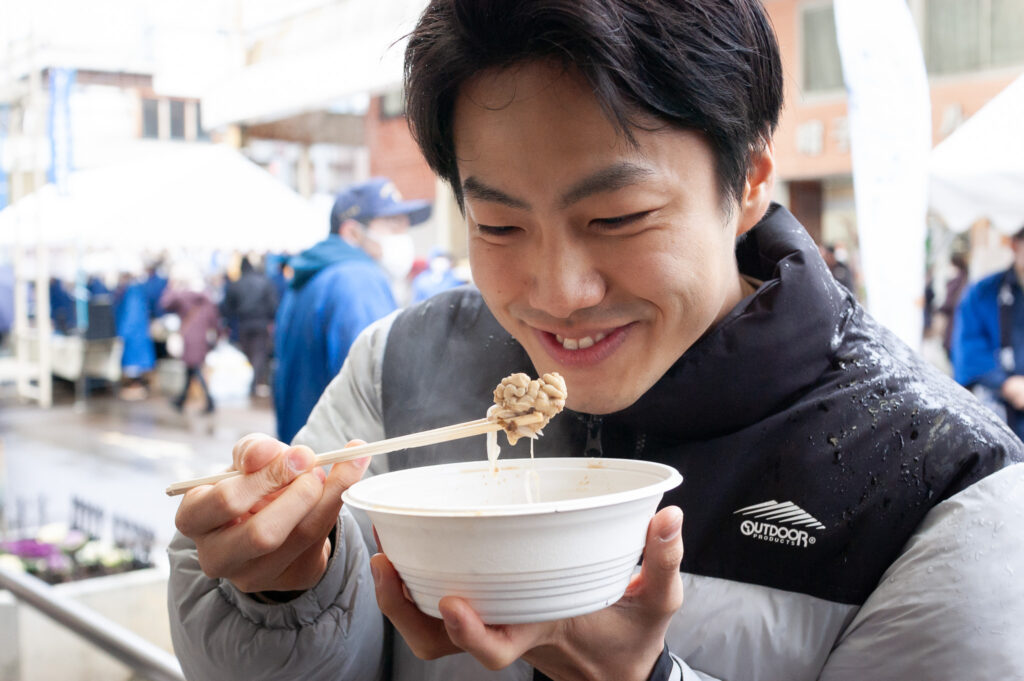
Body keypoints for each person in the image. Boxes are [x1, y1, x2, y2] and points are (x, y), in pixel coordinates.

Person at [167, 2, 1024, 680]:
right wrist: (279, 591)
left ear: (751, 180)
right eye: (499, 225)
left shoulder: (952, 489)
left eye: (617, 217)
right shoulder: (400, 362)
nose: (556, 295)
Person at [271, 177, 430, 443]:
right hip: (345, 455)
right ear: (353, 232)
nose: (403, 236)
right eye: (392, 225)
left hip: (305, 445)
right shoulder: (357, 279)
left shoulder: (313, 273)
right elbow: (381, 381)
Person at [951, 227, 1024, 439]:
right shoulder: (982, 293)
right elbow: (968, 351)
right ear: (1014, 245)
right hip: (1001, 414)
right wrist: (1007, 384)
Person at [160, 271, 220, 414]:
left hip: (188, 336)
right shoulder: (207, 298)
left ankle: (208, 401)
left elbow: (165, 303)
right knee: (192, 368)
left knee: (195, 368)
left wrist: (172, 287)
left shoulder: (183, 295)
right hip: (202, 337)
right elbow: (214, 319)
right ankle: (182, 400)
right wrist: (217, 335)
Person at [219, 255, 279, 398]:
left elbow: (226, 308)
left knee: (248, 353)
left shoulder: (237, 284)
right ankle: (252, 383)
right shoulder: (264, 282)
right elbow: (273, 305)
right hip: (261, 323)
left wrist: (230, 322)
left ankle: (251, 383)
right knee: (259, 353)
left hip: (243, 323)